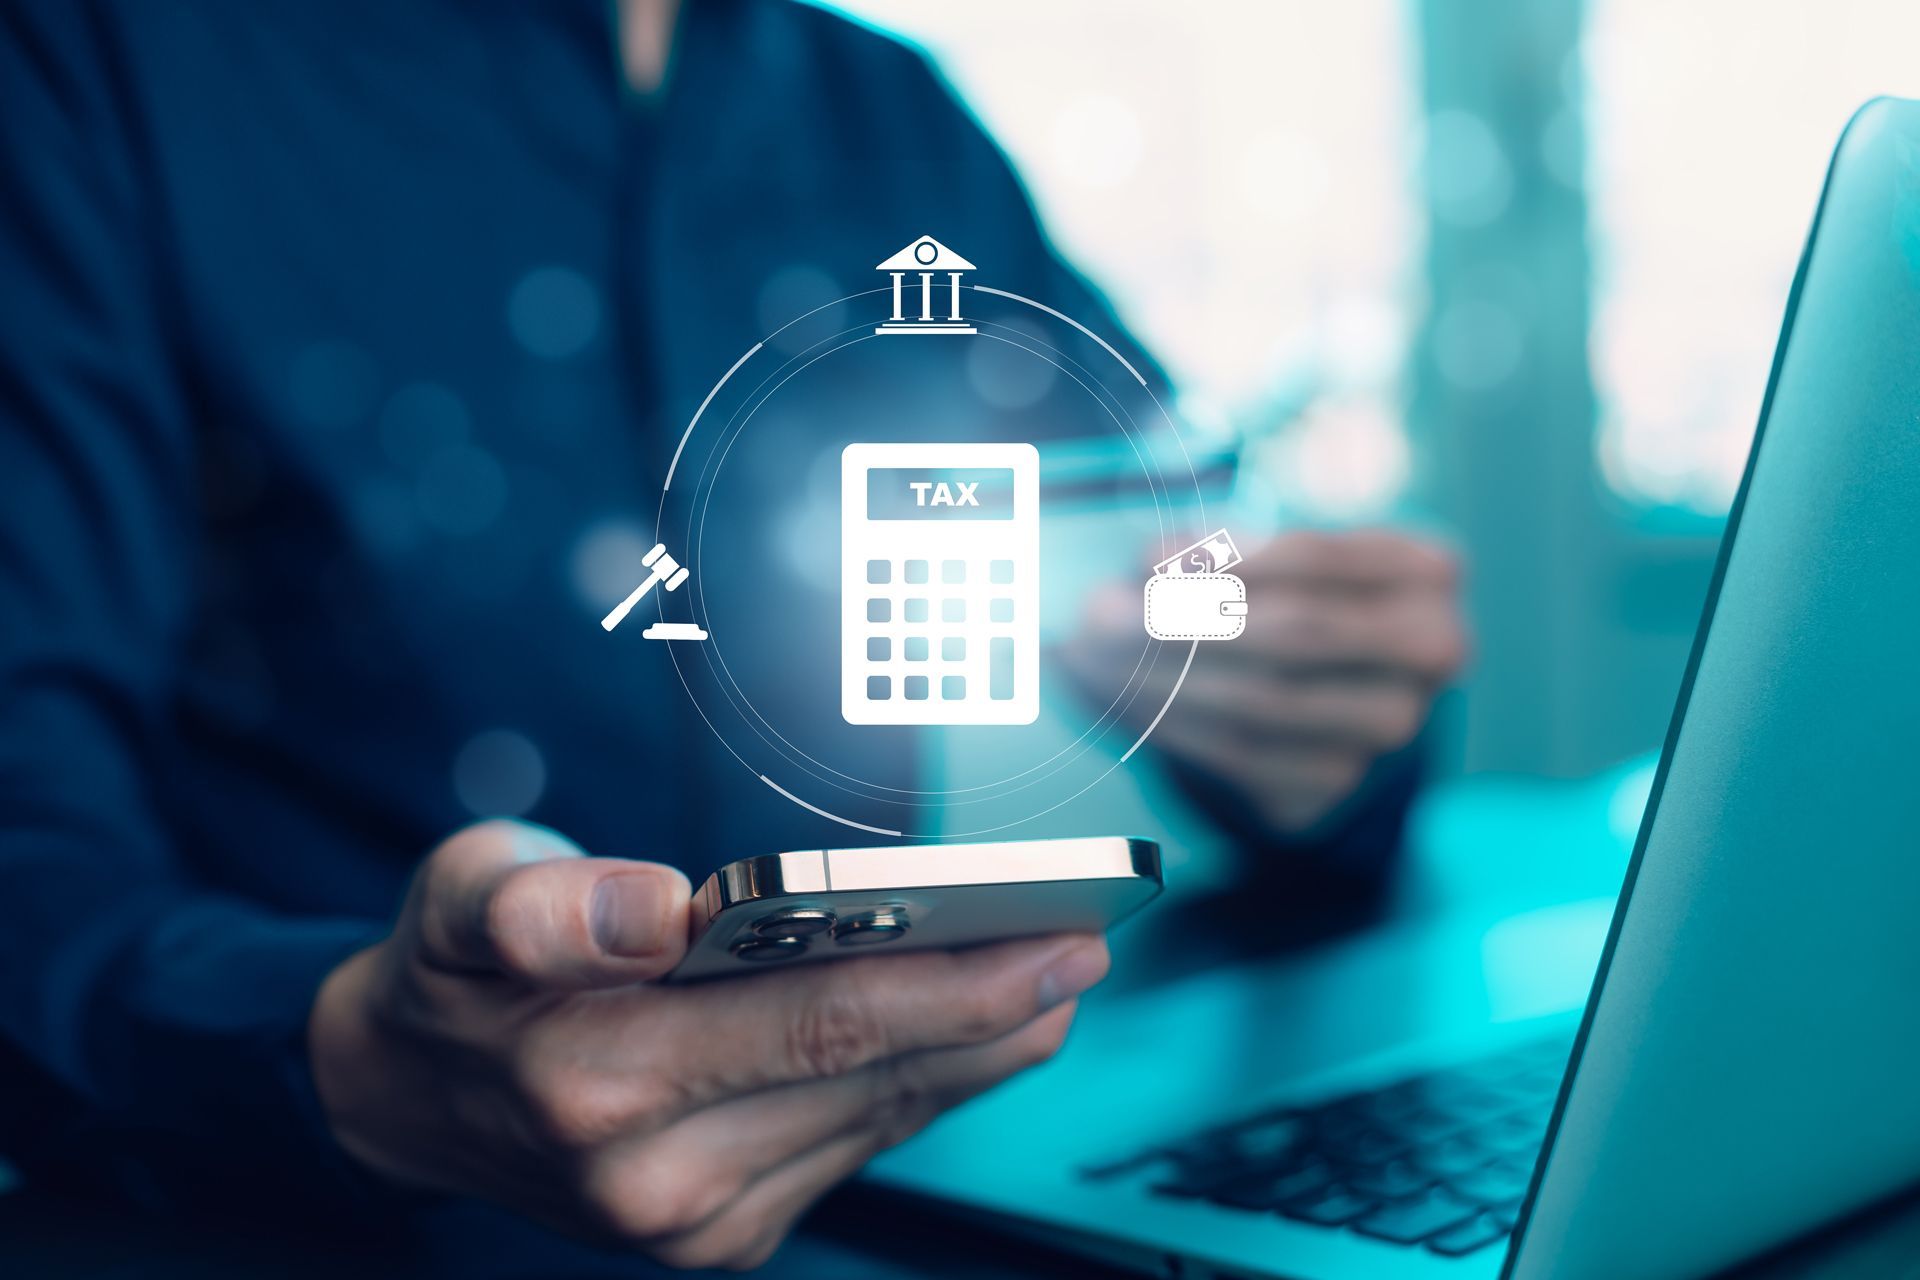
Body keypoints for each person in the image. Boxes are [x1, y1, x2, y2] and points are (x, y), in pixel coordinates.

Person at [0, 0, 1466, 1273]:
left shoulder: (891, 120)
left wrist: (1320, 726)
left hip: (887, 1210)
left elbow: (1193, 566)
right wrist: (342, 1067)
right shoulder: (90, 65)